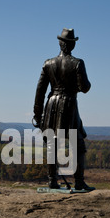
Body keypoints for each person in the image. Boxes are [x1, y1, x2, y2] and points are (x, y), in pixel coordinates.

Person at [33, 28, 94, 191]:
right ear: (72, 45)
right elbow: (85, 87)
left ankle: (52, 181)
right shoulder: (77, 63)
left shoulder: (48, 63)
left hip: (52, 104)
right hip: (69, 105)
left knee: (53, 144)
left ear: (60, 44)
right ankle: (79, 181)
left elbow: (40, 90)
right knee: (77, 144)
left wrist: (37, 114)